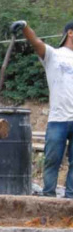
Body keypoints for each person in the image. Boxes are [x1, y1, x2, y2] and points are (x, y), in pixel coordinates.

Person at [11, 19, 73, 198]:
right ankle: (48, 198)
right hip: (58, 119)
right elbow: (36, 42)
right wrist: (25, 27)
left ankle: (70, 200)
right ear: (70, 33)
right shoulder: (53, 55)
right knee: (52, 160)